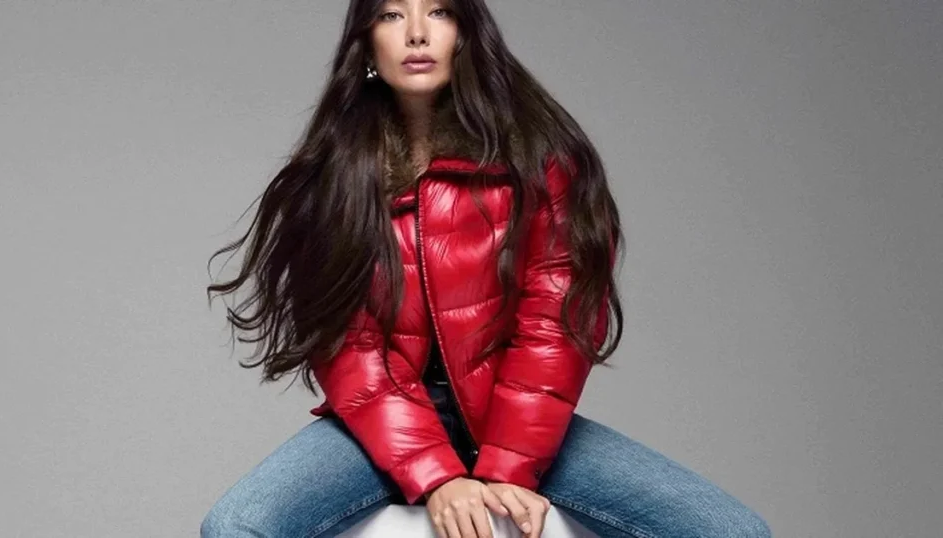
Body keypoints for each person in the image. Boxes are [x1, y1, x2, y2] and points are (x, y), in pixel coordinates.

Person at [201, 1, 771, 537]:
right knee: (236, 525)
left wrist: (507, 468)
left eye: (439, 11)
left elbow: (555, 324)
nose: (417, 33)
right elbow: (349, 347)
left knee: (734, 531)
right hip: (392, 417)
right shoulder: (334, 177)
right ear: (366, 42)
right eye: (392, 14)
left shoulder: (539, 157)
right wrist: (436, 475)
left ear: (466, 32)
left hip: (515, 413)